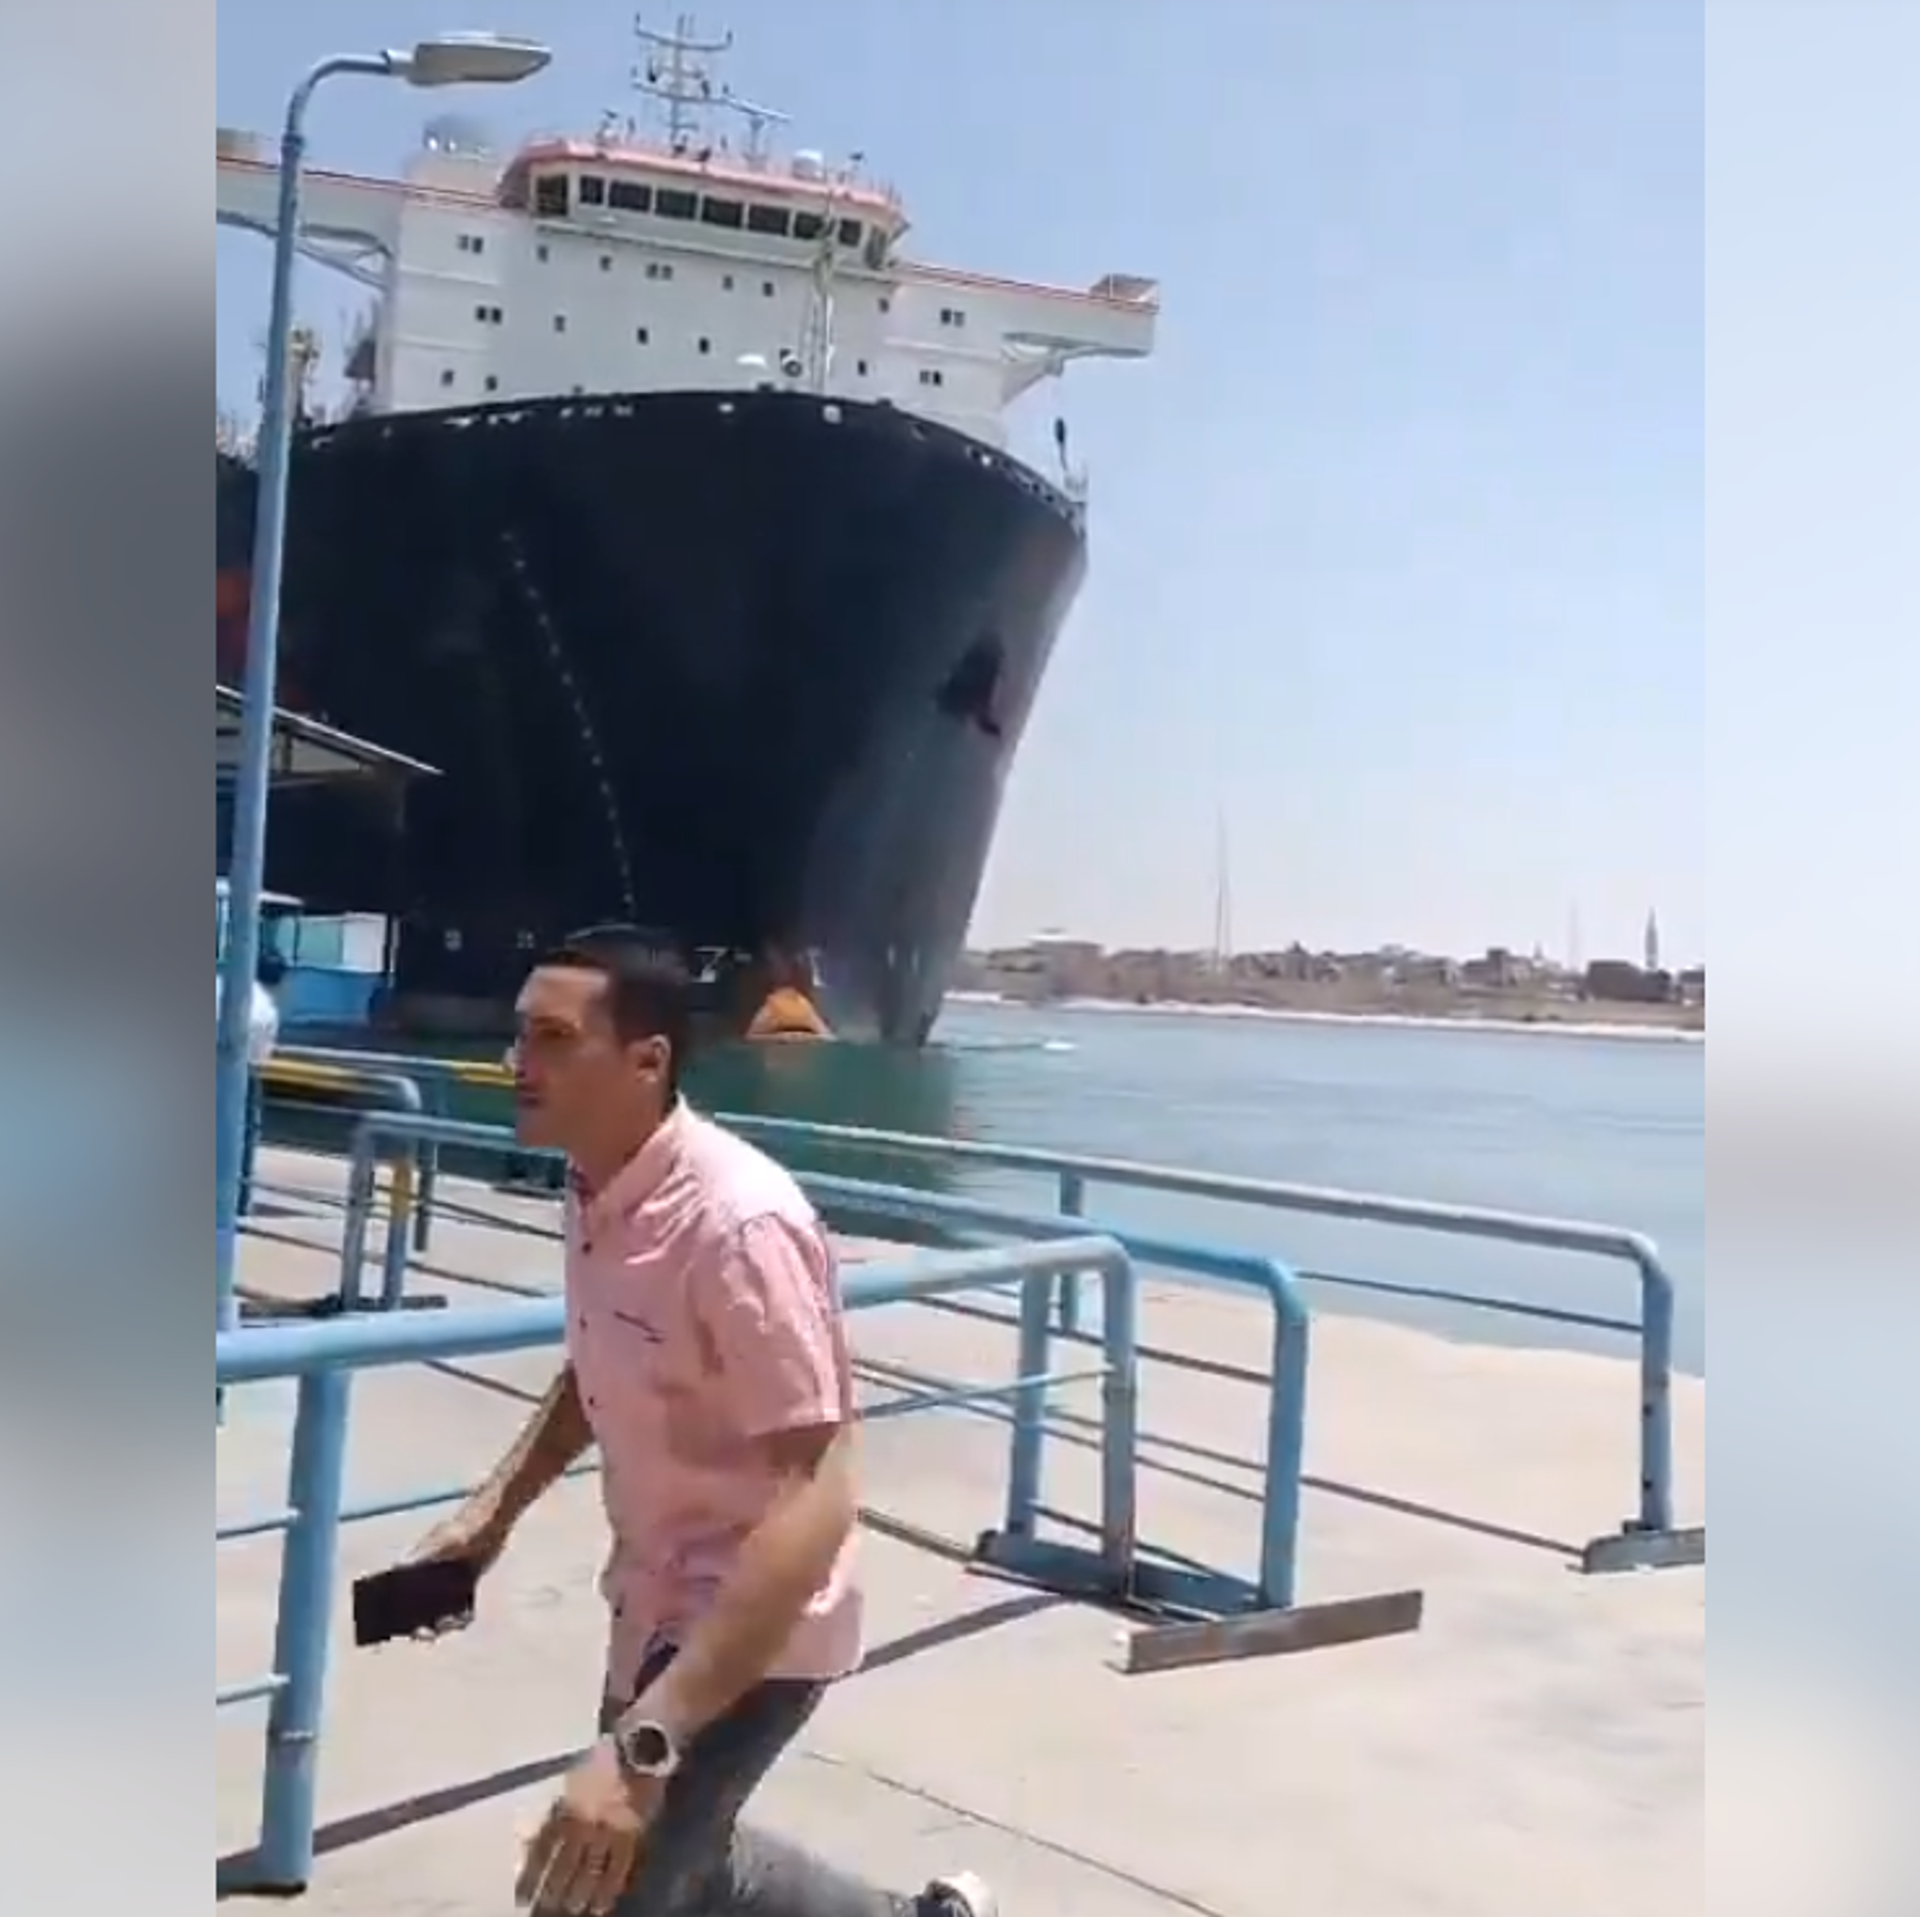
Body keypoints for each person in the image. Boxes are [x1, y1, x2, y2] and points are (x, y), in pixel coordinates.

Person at [403, 926, 996, 1916]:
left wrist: (647, 1741)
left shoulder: (739, 1228)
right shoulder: (596, 1185)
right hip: (652, 1597)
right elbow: (600, 1364)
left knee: (598, 1883)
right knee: (683, 1863)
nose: (517, 1062)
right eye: (520, 1034)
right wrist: (487, 1517)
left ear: (647, 1062)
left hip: (753, 1625)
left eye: (553, 1038)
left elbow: (820, 1492)